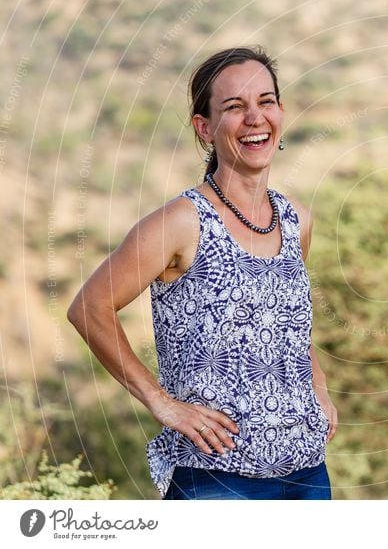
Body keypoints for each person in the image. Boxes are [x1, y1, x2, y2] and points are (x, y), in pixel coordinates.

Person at [67, 46, 338, 500]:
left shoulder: (297, 221)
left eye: (266, 101)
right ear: (205, 128)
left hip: (306, 473)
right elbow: (89, 307)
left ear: (281, 113)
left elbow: (287, 324)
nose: (255, 118)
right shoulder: (180, 222)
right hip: (215, 479)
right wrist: (161, 403)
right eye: (234, 107)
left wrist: (320, 386)